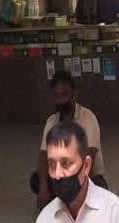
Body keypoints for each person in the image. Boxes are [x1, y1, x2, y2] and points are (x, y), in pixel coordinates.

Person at [31, 71, 107, 211]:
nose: (61, 100)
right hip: (60, 176)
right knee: (36, 179)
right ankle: (61, 198)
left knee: (98, 188)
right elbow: (43, 155)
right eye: (57, 96)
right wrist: (43, 189)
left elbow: (88, 157)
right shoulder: (51, 121)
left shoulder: (88, 118)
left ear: (74, 93)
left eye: (65, 94)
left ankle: (65, 199)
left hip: (86, 176)